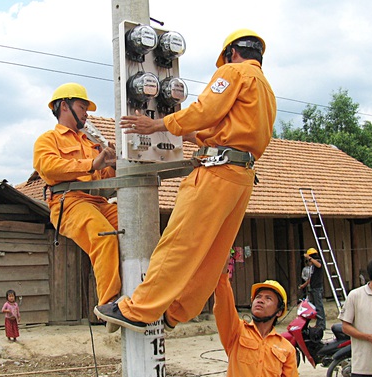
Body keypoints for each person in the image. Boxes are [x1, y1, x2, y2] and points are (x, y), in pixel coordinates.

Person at [95, 28, 277, 332]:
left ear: (231, 53)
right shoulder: (266, 88)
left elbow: (205, 110)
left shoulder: (233, 72)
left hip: (217, 174)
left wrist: (157, 124)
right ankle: (176, 313)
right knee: (213, 254)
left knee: (180, 244)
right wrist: (185, 133)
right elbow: (228, 132)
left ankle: (137, 310)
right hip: (242, 177)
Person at [33, 83, 120, 306]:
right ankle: (109, 304)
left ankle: (144, 293)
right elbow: (49, 167)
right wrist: (91, 163)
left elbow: (102, 177)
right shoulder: (48, 140)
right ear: (64, 106)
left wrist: (113, 165)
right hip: (69, 203)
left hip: (97, 202)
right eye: (82, 107)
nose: (86, 113)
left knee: (136, 226)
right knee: (105, 236)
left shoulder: (91, 143)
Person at [304, 247, 325, 331]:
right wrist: (304, 285)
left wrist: (309, 258)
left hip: (317, 287)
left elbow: (319, 265)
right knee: (311, 307)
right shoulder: (312, 267)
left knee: (319, 306)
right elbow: (310, 278)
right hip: (313, 287)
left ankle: (321, 325)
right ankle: (315, 324)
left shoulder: (317, 261)